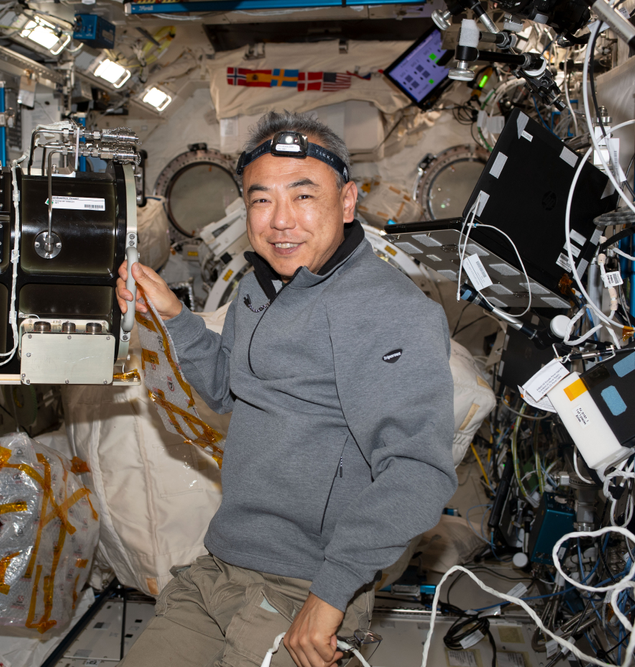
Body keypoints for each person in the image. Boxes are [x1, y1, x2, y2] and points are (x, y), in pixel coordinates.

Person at [114, 111, 457, 667]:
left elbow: (418, 472)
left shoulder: (388, 311)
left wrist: (331, 593)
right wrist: (178, 318)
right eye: (261, 200)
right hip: (220, 565)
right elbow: (229, 388)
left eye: (303, 196)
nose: (280, 222)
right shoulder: (260, 286)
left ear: (346, 203)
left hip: (306, 583)